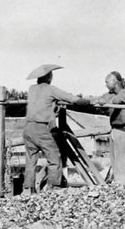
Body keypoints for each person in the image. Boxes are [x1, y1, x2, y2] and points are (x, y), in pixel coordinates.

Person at [23, 64, 90, 194]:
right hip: (41, 128)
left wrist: (53, 108)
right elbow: (72, 99)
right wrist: (87, 102)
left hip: (28, 128)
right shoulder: (51, 89)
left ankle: (27, 189)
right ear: (49, 77)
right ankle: (53, 187)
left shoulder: (31, 89)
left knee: (30, 160)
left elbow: (41, 105)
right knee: (54, 158)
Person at [91, 71, 125, 184]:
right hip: (114, 129)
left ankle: (122, 185)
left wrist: (104, 101)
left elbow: (117, 100)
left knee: (122, 160)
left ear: (115, 82)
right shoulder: (109, 94)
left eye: (107, 81)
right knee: (115, 160)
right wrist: (99, 101)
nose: (105, 84)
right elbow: (98, 99)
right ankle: (120, 184)